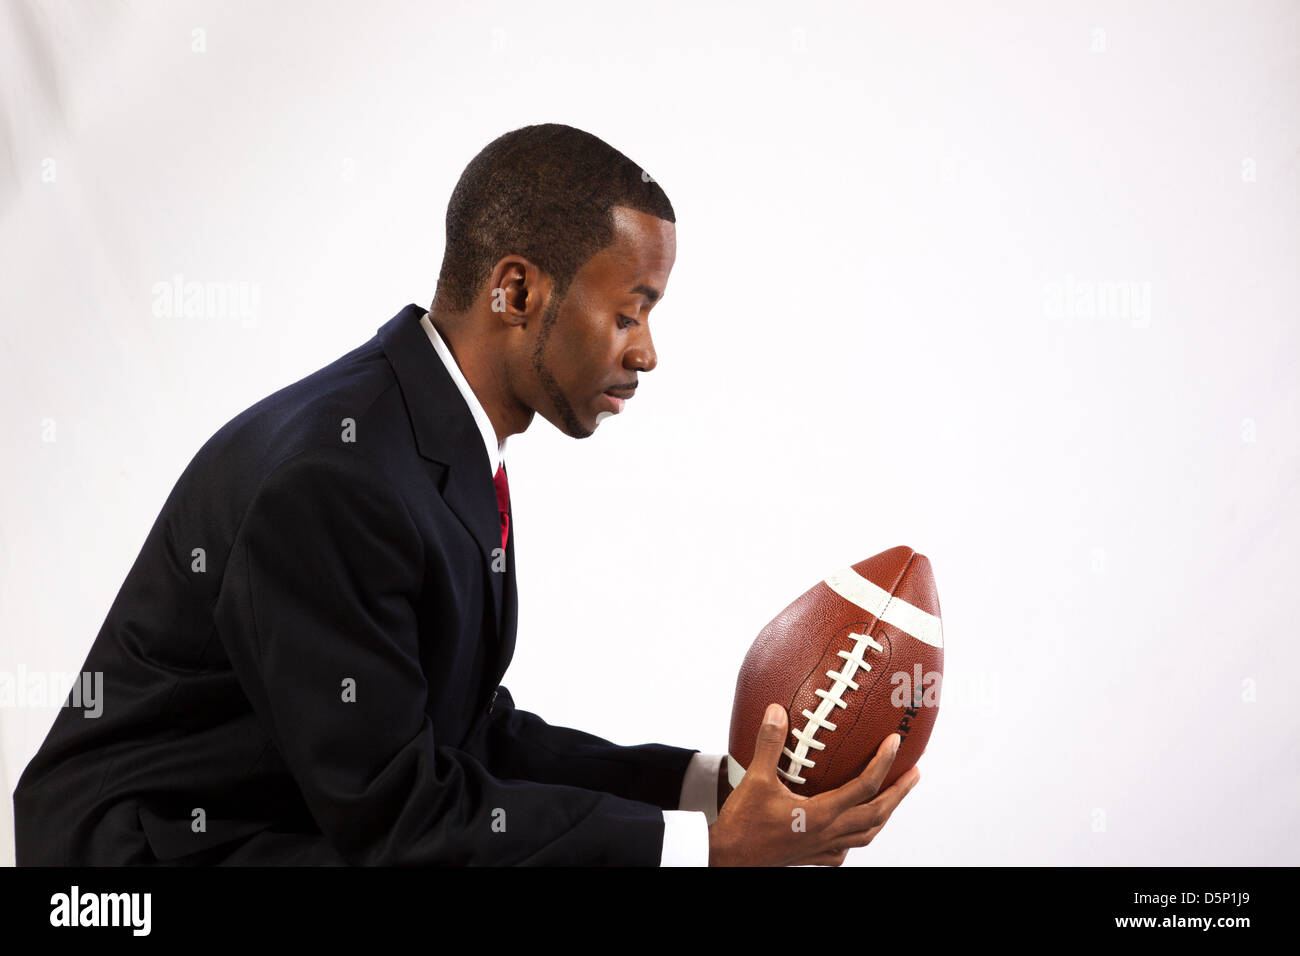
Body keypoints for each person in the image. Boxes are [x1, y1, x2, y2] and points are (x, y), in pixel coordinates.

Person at [13, 123, 919, 866]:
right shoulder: (339, 480)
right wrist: (708, 851)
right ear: (518, 289)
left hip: (286, 819)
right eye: (631, 310)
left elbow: (465, 735)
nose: (647, 352)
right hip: (141, 862)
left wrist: (709, 790)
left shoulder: (431, 436)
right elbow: (405, 828)